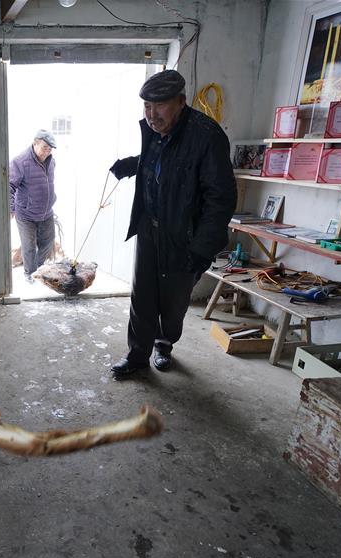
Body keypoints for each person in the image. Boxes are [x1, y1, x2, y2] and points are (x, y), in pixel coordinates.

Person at [108, 70, 235, 376]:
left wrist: (202, 248)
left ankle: (163, 346)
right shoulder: (156, 130)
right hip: (149, 228)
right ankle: (138, 355)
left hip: (184, 236)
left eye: (160, 106)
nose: (152, 115)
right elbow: (164, 162)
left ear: (181, 101)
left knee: (174, 301)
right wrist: (133, 165)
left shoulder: (207, 136)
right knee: (142, 296)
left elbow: (221, 198)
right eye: (147, 107)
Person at [9, 129, 58, 283]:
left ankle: (38, 269)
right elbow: (9, 186)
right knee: (29, 247)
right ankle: (30, 275)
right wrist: (11, 208)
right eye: (44, 148)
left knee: (48, 241)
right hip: (26, 214)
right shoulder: (20, 162)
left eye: (50, 149)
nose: (47, 152)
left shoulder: (51, 161)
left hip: (46, 212)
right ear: (35, 143)